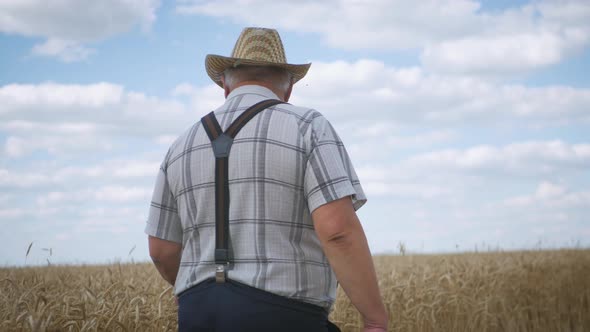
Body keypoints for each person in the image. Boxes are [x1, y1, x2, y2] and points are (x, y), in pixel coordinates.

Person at [145, 27, 388, 332]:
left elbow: (161, 250)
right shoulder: (308, 127)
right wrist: (375, 320)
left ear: (224, 84)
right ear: (288, 86)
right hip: (283, 315)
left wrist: (191, 289)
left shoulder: (180, 145)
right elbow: (338, 230)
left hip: (198, 313)